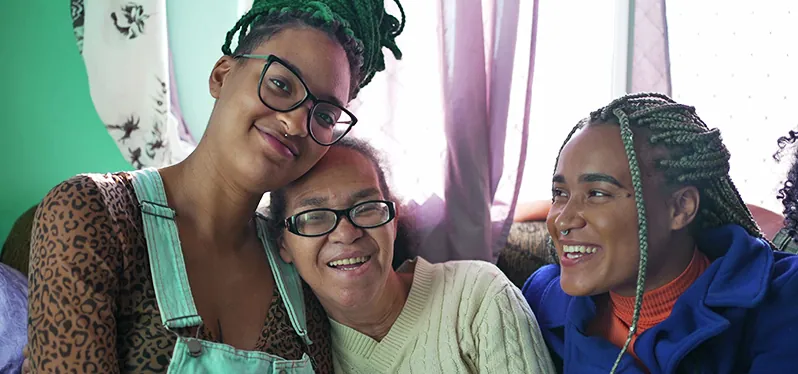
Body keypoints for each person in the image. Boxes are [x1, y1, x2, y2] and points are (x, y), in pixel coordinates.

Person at [26, 0, 405, 372]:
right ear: (221, 75)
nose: (294, 124)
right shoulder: (92, 215)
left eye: (324, 114)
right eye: (280, 84)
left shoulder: (299, 259)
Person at [522, 92, 798, 373]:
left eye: (597, 193)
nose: (563, 219)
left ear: (680, 208)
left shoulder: (782, 298)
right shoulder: (540, 299)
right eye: (560, 193)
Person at [267, 137, 556, 373]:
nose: (346, 233)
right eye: (314, 216)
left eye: (366, 207)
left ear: (392, 222)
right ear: (284, 244)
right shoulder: (300, 357)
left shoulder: (478, 295)